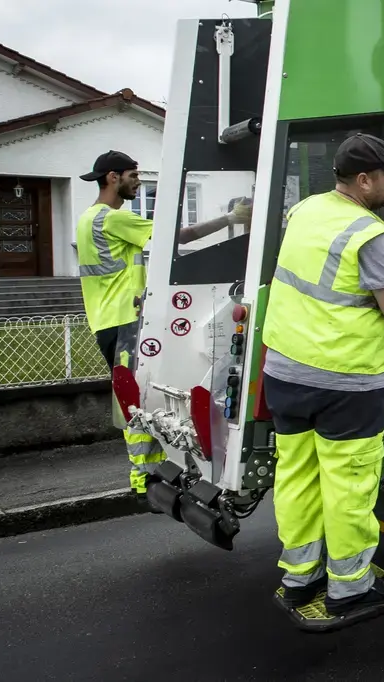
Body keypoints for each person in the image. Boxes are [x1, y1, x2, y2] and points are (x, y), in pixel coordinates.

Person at [259, 133, 384, 630]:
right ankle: (349, 590)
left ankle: (300, 576)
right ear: (365, 180)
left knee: (297, 476)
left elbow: (330, 264)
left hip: (285, 371)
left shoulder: (307, 210)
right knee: (349, 485)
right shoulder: (373, 238)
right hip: (342, 381)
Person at [76, 150, 252, 497]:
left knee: (135, 394)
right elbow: (180, 236)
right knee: (136, 400)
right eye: (133, 175)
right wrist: (231, 218)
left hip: (108, 318)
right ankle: (145, 478)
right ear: (113, 177)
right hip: (122, 320)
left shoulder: (88, 219)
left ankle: (152, 471)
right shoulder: (110, 218)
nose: (138, 182)